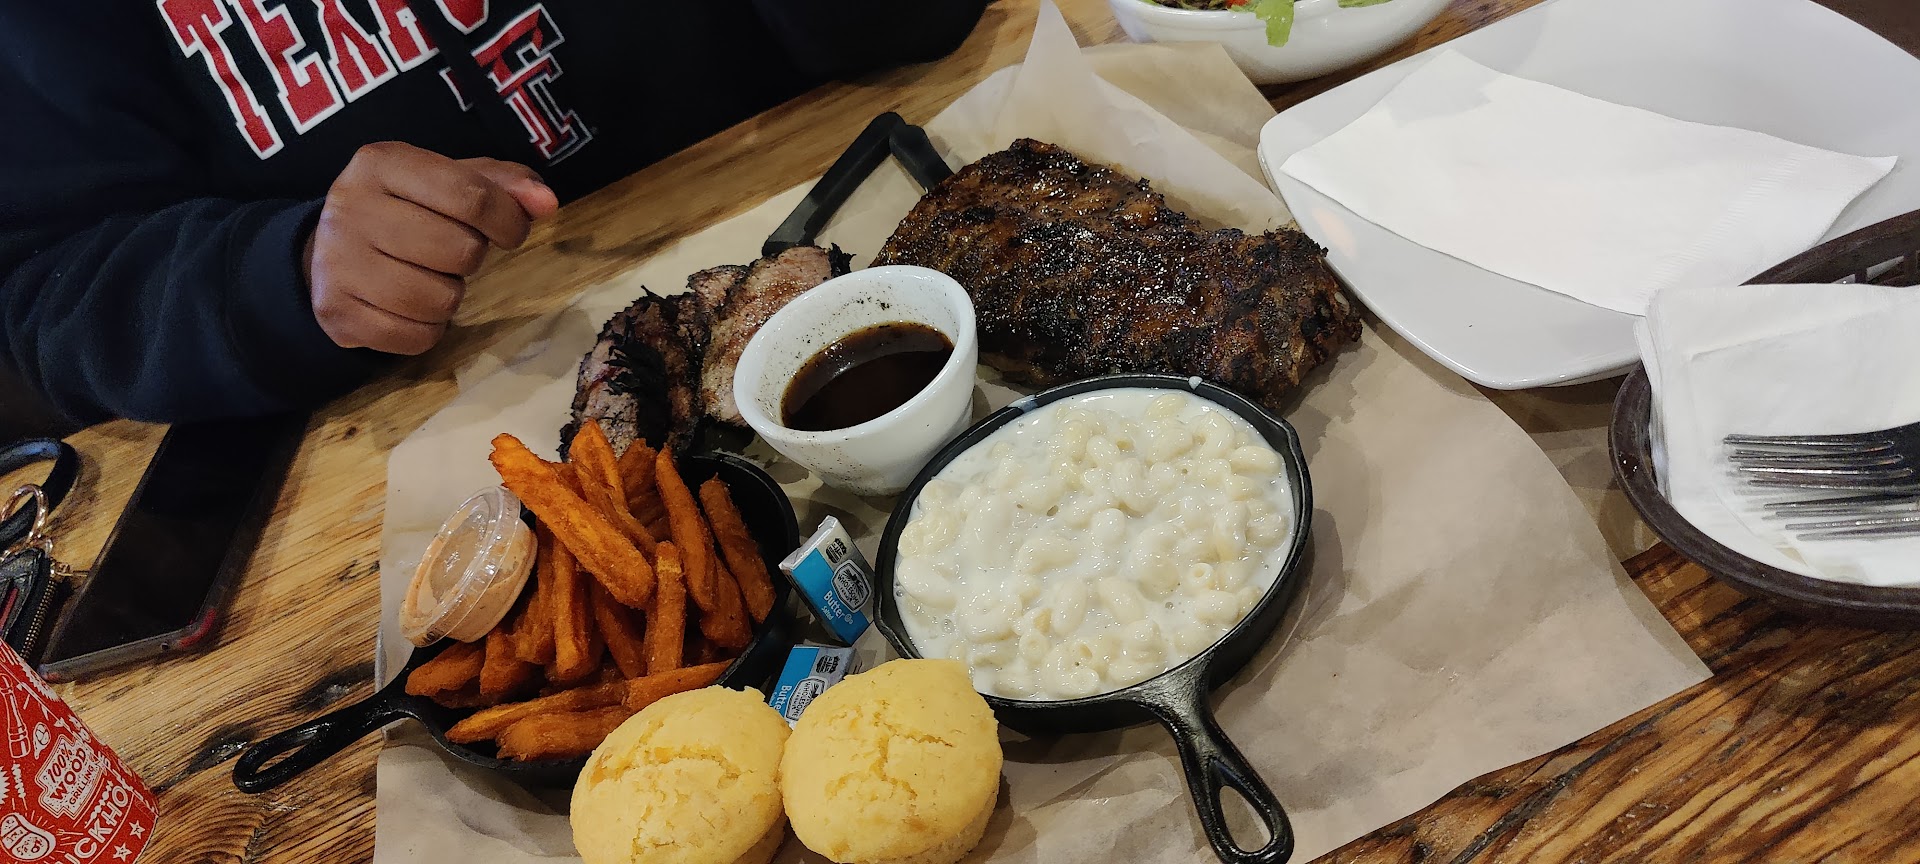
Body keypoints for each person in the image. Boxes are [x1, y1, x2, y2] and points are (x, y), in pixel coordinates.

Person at [0, 1, 990, 433]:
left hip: (870, 215)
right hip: (426, 411)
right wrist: (282, 272)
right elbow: (56, 286)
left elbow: (915, 22)